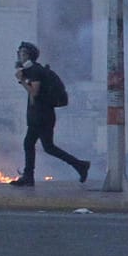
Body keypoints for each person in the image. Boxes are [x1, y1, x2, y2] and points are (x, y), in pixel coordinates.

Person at [12, 41, 89, 188]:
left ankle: (80, 165)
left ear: (30, 56)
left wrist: (21, 79)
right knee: (30, 144)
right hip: (38, 116)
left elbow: (34, 92)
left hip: (42, 116)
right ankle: (28, 177)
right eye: (20, 53)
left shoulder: (35, 70)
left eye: (23, 54)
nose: (20, 56)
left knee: (47, 147)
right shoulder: (31, 70)